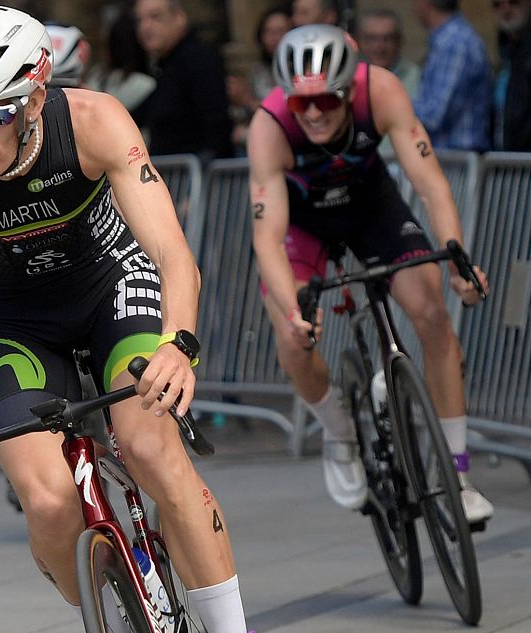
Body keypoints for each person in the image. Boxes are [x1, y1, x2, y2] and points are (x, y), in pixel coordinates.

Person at [0, 6, 291, 633]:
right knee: (45, 499)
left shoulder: (97, 122)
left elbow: (175, 256)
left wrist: (178, 345)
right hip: (19, 324)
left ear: (35, 97)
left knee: (146, 444)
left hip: (116, 289)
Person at [247, 25, 493, 524]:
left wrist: (458, 260)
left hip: (371, 208)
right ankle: (339, 434)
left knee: (431, 315)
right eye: (301, 103)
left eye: (328, 101)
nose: (313, 113)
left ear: (351, 90)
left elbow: (430, 183)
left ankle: (459, 477)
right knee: (294, 341)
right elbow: (267, 239)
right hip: (303, 227)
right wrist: (295, 311)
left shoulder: (380, 89)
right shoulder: (269, 126)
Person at [132, 0, 232, 161]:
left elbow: (217, 122)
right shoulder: (166, 66)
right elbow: (141, 114)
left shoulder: (198, 59)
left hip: (196, 177)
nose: (145, 27)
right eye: (139, 20)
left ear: (179, 18)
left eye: (155, 17)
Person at [411, 0, 493, 152]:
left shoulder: (454, 43)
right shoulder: (450, 39)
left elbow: (434, 117)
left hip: (458, 162)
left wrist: (394, 105)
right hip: (454, 161)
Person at [230, 5, 292, 149]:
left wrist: (247, 99)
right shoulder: (258, 70)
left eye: (279, 31)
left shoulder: (300, 69)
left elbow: (285, 112)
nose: (273, 38)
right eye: (268, 32)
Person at [355, 9, 421, 96]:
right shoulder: (350, 75)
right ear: (359, 41)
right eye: (371, 39)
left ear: (399, 41)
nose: (379, 46)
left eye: (387, 39)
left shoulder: (414, 76)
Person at [494, 0, 531, 150]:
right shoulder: (507, 52)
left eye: (514, 2)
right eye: (497, 4)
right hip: (506, 160)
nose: (505, 9)